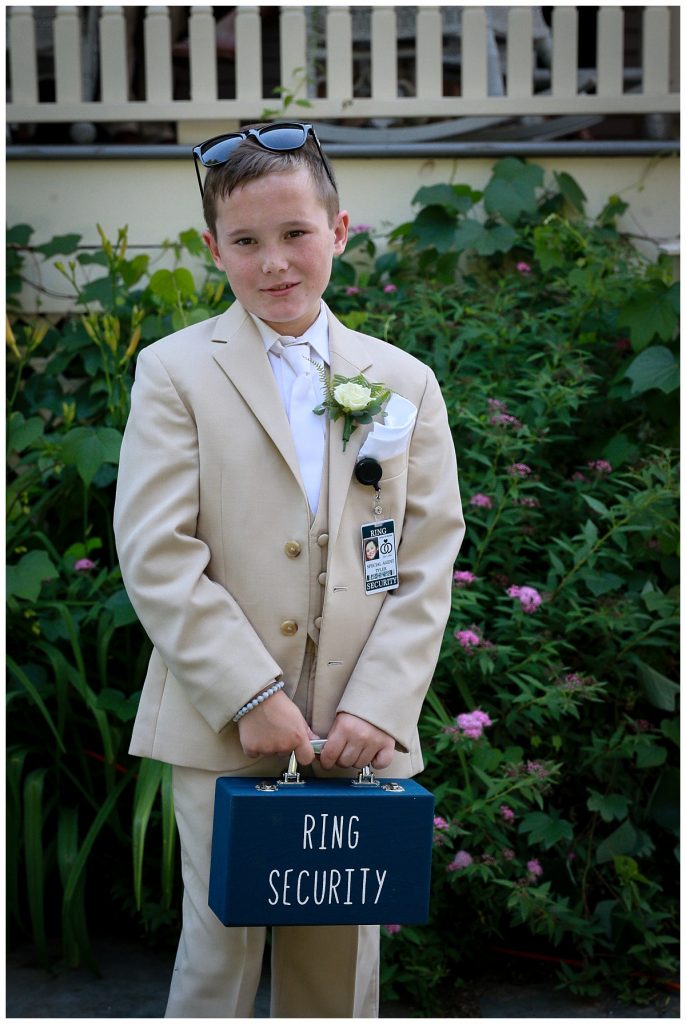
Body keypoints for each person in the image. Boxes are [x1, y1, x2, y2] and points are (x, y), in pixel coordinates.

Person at [113, 121, 465, 1018]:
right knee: (219, 949)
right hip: (222, 722)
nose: (274, 262)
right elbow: (158, 551)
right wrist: (248, 693)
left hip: (359, 729)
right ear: (212, 249)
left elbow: (426, 557)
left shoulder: (404, 381)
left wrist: (378, 704)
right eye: (247, 242)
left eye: (296, 234)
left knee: (338, 969)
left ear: (339, 231)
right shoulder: (176, 372)